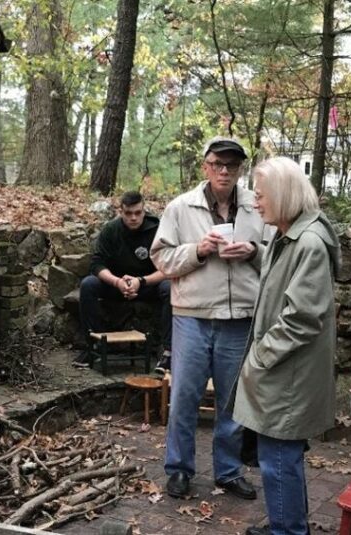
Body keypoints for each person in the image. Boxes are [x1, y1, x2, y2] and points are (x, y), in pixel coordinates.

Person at [151, 137, 266, 501]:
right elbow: (160, 258)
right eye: (218, 163)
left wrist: (252, 252)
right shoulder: (181, 207)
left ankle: (228, 472)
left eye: (232, 165)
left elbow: (277, 258)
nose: (224, 171)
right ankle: (180, 470)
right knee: (185, 396)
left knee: (231, 402)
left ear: (241, 170)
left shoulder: (257, 207)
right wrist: (197, 251)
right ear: (205, 166)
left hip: (239, 317)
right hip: (193, 317)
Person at [231, 156, 340, 535]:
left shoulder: (308, 242)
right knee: (278, 456)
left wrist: (260, 357)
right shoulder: (287, 234)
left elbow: (302, 317)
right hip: (283, 369)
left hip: (287, 372)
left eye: (261, 195)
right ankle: (288, 524)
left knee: (279, 457)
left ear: (281, 194)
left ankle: (288, 531)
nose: (255, 202)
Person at [77, 191, 172, 373]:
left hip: (148, 284)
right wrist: (117, 282)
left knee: (169, 288)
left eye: (138, 213)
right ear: (121, 212)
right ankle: (93, 345)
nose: (133, 218)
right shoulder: (111, 230)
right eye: (128, 213)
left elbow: (168, 268)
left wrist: (141, 281)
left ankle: (168, 351)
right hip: (117, 284)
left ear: (144, 211)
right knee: (88, 285)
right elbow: (97, 264)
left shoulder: (158, 230)